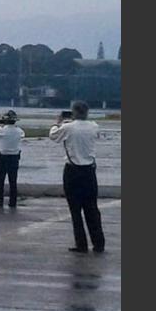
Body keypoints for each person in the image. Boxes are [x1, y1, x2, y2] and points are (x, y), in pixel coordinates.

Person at [49, 101, 105, 254]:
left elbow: (53, 136)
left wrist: (58, 122)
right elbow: (97, 136)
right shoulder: (94, 126)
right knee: (92, 208)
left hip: (73, 171)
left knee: (75, 210)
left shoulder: (68, 128)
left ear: (73, 112)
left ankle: (81, 244)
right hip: (89, 171)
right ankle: (98, 242)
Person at [0, 110, 24, 207]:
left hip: (3, 156)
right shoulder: (20, 131)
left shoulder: (1, 130)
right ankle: (13, 201)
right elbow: (22, 135)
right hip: (15, 157)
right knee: (13, 180)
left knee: (0, 179)